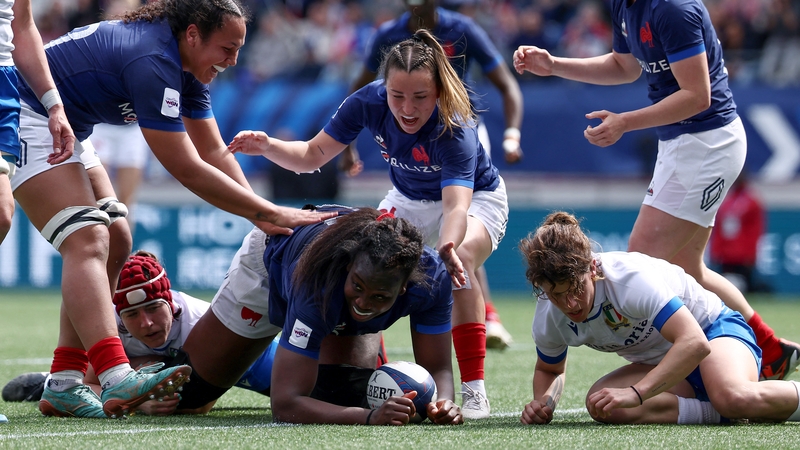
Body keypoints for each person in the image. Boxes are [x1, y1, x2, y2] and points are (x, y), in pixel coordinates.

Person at [9, 0, 336, 419]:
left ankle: (65, 382)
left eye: (239, 50)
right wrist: (270, 213)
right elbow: (186, 167)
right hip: (24, 112)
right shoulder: (153, 60)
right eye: (227, 48)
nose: (233, 61)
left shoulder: (184, 67)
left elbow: (215, 152)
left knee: (117, 238)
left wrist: (262, 216)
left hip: (65, 124)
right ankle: (114, 373)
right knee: (88, 239)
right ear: (193, 34)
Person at [512, 0, 800, 381]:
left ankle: (694, 364)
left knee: (643, 263)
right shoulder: (624, 4)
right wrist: (555, 65)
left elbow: (698, 95)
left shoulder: (672, 8)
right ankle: (769, 348)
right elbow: (624, 65)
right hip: (685, 142)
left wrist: (625, 123)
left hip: (705, 143)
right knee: (686, 269)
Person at [228, 29, 509, 419]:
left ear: (439, 92)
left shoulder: (455, 127)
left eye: (420, 97)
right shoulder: (366, 101)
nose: (407, 109)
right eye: (398, 96)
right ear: (384, 89)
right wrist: (268, 146)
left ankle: (474, 391)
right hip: (405, 200)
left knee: (458, 261)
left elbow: (456, 207)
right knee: (373, 264)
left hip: (476, 199)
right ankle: (387, 378)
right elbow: (312, 155)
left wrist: (446, 244)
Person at [171, 205, 463, 425]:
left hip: (329, 301)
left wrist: (444, 403)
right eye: (358, 286)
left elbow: (438, 368)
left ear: (403, 290)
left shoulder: (433, 278)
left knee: (339, 395)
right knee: (188, 397)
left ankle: (316, 344)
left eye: (379, 297)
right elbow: (285, 406)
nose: (363, 302)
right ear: (349, 266)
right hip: (271, 264)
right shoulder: (318, 284)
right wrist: (369, 417)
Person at [343, 0, 520, 351]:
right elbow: (358, 89)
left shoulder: (463, 29)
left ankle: (487, 315)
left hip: (455, 131)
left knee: (459, 231)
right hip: (411, 133)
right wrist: (345, 143)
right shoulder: (387, 36)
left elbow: (507, 84)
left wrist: (511, 133)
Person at [518, 211, 800, 425]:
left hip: (713, 334)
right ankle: (717, 410)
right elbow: (550, 370)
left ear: (592, 268)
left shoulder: (628, 280)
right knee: (604, 405)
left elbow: (694, 343)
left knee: (734, 397)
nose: (569, 304)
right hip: (665, 363)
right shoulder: (548, 314)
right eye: (555, 294)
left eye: (576, 288)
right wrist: (545, 402)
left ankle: (728, 398)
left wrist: (638, 393)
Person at [3, 251, 279, 416]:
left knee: (315, 394)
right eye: (132, 315)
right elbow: (89, 382)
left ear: (171, 303)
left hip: (253, 360)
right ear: (120, 316)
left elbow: (200, 404)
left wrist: (138, 399)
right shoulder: (110, 325)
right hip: (172, 363)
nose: (146, 323)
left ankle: (47, 382)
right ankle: (57, 382)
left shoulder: (199, 322)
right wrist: (137, 399)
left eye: (154, 308)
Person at [708, 172, 770, 294]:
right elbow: (719, 229)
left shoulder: (751, 201)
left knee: (744, 285)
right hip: (726, 254)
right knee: (726, 285)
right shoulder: (728, 201)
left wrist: (751, 254)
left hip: (742, 255)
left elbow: (755, 231)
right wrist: (716, 250)